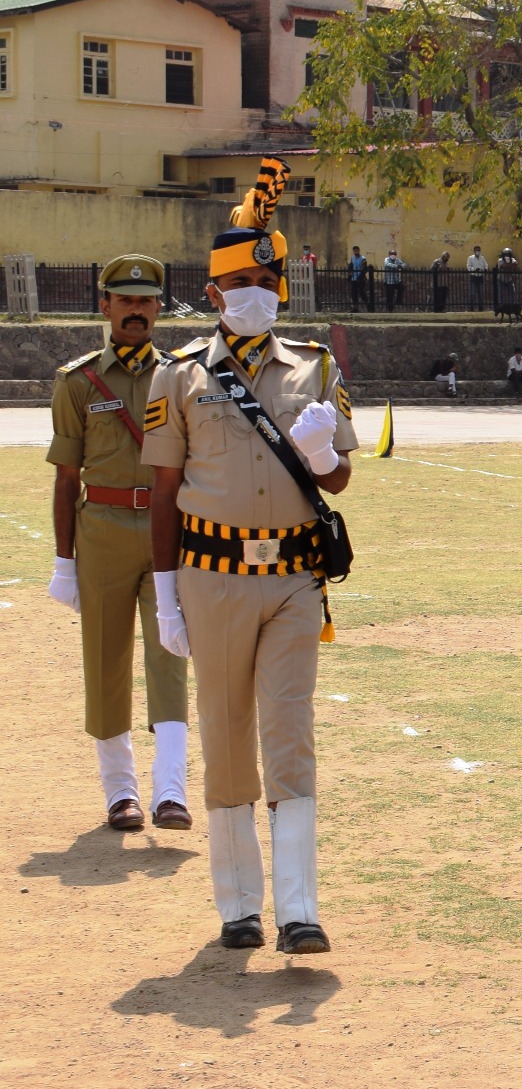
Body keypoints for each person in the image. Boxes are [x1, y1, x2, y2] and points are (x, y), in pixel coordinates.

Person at [142, 156, 357, 955]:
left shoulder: (317, 367)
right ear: (213, 295)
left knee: (289, 731)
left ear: (282, 289)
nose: (254, 297)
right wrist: (165, 597)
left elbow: (341, 473)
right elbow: (164, 494)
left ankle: (299, 907)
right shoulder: (181, 377)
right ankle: (238, 904)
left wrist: (319, 453)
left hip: (294, 578)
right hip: (212, 578)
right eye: (239, 287)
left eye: (265, 284)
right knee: (227, 734)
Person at [48, 254, 191, 833]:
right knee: (106, 661)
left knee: (171, 656)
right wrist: (64, 560)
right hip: (102, 530)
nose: (137, 311)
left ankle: (171, 791)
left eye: (146, 300)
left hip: (169, 532)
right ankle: (120, 793)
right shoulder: (77, 382)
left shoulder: (181, 376)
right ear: (104, 307)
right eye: (125, 300)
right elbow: (64, 479)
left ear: (160, 308)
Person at [495, 247, 521, 318]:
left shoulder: (512, 260)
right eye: (505, 254)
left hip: (509, 279)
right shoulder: (500, 260)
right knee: (501, 293)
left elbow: (516, 265)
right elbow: (504, 265)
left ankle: (512, 306)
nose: (507, 256)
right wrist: (511, 265)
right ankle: (501, 307)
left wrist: (510, 265)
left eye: (508, 254)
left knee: (512, 293)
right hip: (501, 279)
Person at [347, 246, 370, 313]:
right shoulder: (353, 258)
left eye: (356, 251)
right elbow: (351, 266)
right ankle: (355, 307)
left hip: (360, 279)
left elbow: (364, 268)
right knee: (354, 293)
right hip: (354, 278)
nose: (355, 252)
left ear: (359, 251)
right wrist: (349, 276)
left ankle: (368, 305)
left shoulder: (363, 259)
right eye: (354, 251)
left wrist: (361, 277)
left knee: (361, 292)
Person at [467, 246, 489, 312]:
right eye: (477, 250)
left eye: (479, 250)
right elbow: (468, 266)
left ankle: (481, 307)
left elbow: (486, 265)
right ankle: (471, 307)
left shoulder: (482, 258)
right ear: (474, 251)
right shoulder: (470, 258)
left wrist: (485, 269)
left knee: (481, 293)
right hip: (473, 276)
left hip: (480, 276)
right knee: (472, 293)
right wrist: (474, 270)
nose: (478, 251)